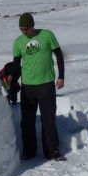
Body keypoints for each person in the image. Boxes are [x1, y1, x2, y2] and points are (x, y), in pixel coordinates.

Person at [12, 13, 66, 161]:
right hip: (27, 87)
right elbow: (16, 65)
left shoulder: (47, 35)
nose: (24, 32)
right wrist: (13, 84)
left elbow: (59, 55)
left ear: (33, 25)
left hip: (46, 84)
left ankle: (52, 150)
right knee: (27, 121)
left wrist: (61, 76)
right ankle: (29, 151)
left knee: (48, 120)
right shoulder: (18, 42)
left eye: (26, 28)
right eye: (21, 29)